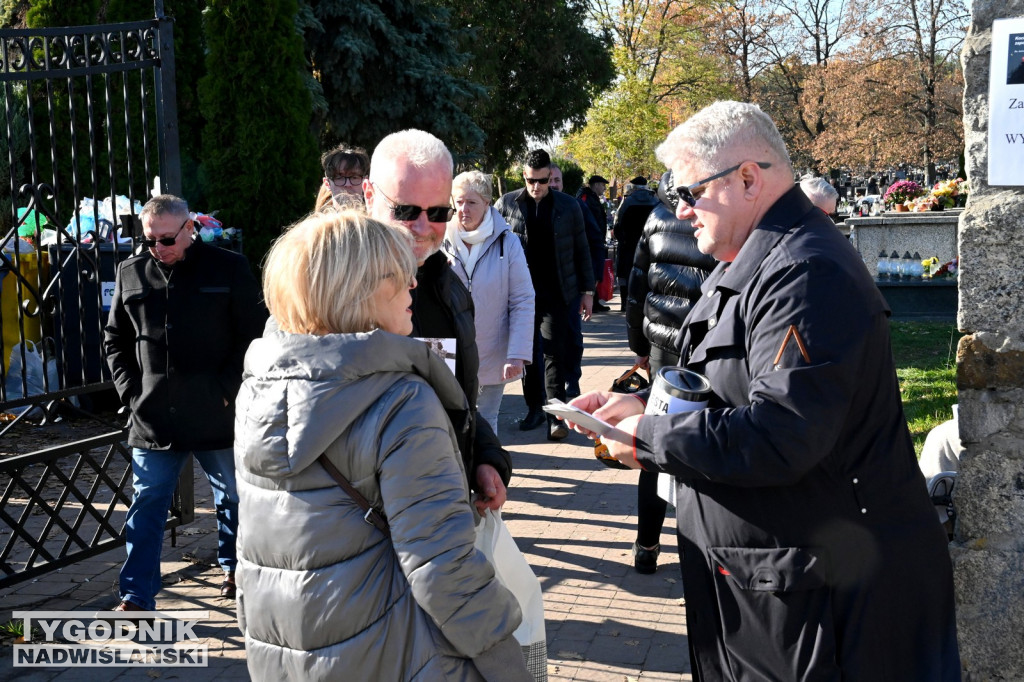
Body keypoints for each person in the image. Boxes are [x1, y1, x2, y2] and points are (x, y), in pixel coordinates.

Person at [566, 101, 960, 679]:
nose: (679, 209)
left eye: (690, 192)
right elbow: (731, 389)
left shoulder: (804, 272)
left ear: (748, 179)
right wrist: (643, 405)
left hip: (829, 610)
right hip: (784, 591)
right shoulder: (759, 258)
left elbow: (782, 433)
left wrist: (650, 437)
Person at [234, 210, 530, 681]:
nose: (413, 283)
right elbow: (443, 568)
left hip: (285, 650)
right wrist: (507, 662)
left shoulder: (258, 391)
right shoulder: (401, 401)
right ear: (358, 289)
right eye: (398, 274)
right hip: (394, 651)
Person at [104, 194, 266, 611]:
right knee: (147, 504)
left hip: (217, 411)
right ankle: (137, 594)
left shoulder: (228, 267)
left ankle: (235, 568)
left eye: (167, 239)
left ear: (190, 228)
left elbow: (253, 334)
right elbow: (115, 340)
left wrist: (228, 390)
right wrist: (130, 393)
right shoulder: (130, 272)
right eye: (150, 240)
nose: (158, 248)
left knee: (233, 495)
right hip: (154, 414)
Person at [364, 129, 510, 510]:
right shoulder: (335, 294)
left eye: (439, 213)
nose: (422, 226)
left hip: (443, 504)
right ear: (369, 196)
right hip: (373, 522)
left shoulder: (448, 287)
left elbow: (456, 399)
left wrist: (484, 458)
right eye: (406, 211)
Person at [624, 170, 716, 574]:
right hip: (708, 342)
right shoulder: (715, 212)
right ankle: (702, 546)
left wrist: (639, 347)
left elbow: (636, 286)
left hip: (664, 345)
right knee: (704, 440)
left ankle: (647, 544)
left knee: (656, 443)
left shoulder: (656, 215)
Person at [495, 149, 595, 441]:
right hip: (520, 295)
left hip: (558, 292)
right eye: (530, 181)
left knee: (554, 352)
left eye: (542, 181)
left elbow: (582, 249)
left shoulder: (568, 206)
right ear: (523, 176)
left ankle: (556, 416)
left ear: (550, 176)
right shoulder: (507, 204)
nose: (536, 187)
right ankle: (534, 409)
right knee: (526, 354)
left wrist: (587, 292)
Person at [442, 171, 535, 434]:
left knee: (486, 422)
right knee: (449, 422)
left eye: (471, 202)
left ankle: (487, 462)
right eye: (459, 202)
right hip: (448, 350)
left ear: (486, 203)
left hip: (494, 349)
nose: (463, 209)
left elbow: (522, 299)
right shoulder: (440, 239)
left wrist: (517, 354)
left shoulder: (508, 241)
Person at [550, 162, 603, 398]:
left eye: (557, 180)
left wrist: (589, 288)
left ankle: (572, 379)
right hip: (538, 288)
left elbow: (593, 243)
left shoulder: (575, 207)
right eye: (548, 180)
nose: (552, 185)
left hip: (570, 287)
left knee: (571, 336)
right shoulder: (528, 207)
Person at [613, 176, 659, 311]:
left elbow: (618, 224)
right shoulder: (655, 201)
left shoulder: (627, 202)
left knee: (625, 273)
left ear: (633, 187)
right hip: (649, 245)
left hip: (628, 245)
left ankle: (625, 303)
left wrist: (622, 239)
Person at [314, 143, 370, 212]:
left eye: (354, 177)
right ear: (327, 183)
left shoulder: (378, 218)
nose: (348, 184)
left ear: (365, 182)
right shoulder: (319, 219)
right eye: (340, 177)